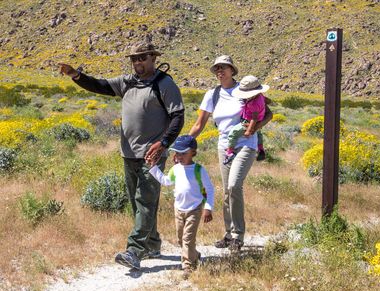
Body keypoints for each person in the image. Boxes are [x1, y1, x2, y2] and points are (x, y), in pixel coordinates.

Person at [59, 41, 185, 270]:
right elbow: (100, 85)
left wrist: (163, 143)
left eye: (142, 58)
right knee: (138, 205)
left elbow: (178, 116)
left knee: (145, 201)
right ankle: (153, 244)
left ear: (153, 58)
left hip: (152, 155)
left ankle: (134, 251)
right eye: (134, 58)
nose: (137, 62)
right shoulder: (127, 82)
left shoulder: (164, 84)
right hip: (128, 153)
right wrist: (76, 75)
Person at [189, 55, 272, 251]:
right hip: (225, 146)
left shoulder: (244, 89)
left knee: (234, 185)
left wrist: (254, 128)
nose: (220, 71)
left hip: (246, 144)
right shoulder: (212, 94)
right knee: (227, 190)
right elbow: (199, 124)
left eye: (224, 67)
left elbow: (268, 113)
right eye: (217, 68)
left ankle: (238, 235)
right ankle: (229, 234)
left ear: (232, 70)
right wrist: (185, 143)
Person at [148, 135, 214, 277]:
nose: (179, 156)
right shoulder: (176, 169)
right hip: (178, 209)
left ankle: (188, 266)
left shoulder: (199, 170)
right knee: (180, 239)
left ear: (193, 153)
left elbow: (209, 189)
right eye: (177, 152)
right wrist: (154, 168)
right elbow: (166, 181)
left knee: (187, 239)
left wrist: (208, 207)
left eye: (183, 153)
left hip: (194, 209)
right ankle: (194, 254)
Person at [223, 75, 269, 164]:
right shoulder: (260, 96)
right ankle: (260, 149)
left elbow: (254, 118)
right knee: (259, 134)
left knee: (233, 133)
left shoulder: (253, 103)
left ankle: (230, 152)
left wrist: (249, 130)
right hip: (260, 120)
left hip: (248, 122)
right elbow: (265, 100)